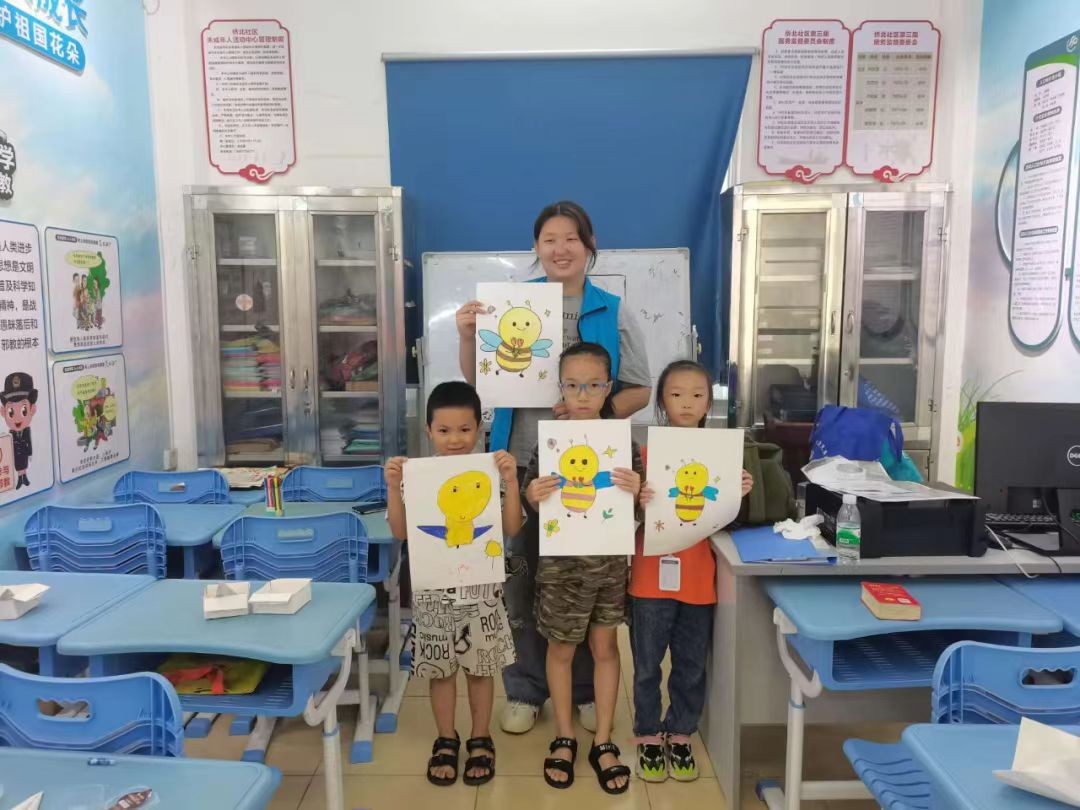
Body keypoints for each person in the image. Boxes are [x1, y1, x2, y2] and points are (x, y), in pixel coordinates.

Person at [455, 200, 652, 735]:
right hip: (520, 462)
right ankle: (525, 689)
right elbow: (480, 381)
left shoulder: (612, 310)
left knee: (583, 581)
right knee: (522, 578)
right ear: (536, 248)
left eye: (571, 239)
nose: (560, 249)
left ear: (589, 246)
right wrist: (469, 335)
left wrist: (594, 413)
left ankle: (584, 691)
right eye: (549, 240)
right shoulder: (511, 305)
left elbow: (640, 388)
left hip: (589, 471)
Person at [385, 382, 523, 787]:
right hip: (433, 595)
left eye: (464, 429)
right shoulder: (417, 477)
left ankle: (481, 737)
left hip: (482, 593)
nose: (455, 439)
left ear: (479, 428)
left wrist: (512, 481)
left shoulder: (491, 473)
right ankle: (446, 737)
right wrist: (393, 487)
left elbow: (512, 527)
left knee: (481, 670)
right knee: (440, 671)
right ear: (428, 430)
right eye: (444, 430)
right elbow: (400, 532)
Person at [522, 342, 641, 793]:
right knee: (561, 650)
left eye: (593, 385)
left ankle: (604, 739)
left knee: (606, 647)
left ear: (608, 388)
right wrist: (533, 495)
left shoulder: (623, 444)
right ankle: (564, 736)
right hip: (561, 569)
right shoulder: (550, 442)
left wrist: (637, 489)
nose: (583, 394)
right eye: (573, 386)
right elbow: (533, 503)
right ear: (561, 389)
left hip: (608, 565)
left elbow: (638, 508)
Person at [631, 360, 753, 782]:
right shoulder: (644, 456)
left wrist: (739, 495)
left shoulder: (722, 458)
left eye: (697, 395)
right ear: (662, 401)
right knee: (647, 664)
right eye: (676, 394)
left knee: (690, 664)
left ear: (708, 403)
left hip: (700, 580)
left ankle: (680, 731)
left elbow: (729, 522)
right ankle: (648, 733)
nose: (686, 402)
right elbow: (627, 518)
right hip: (649, 577)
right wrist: (637, 499)